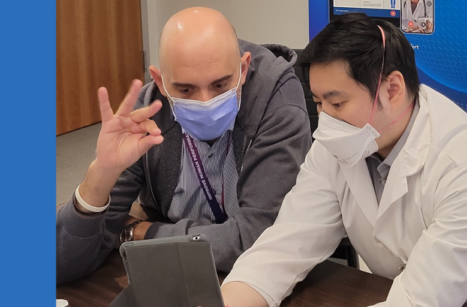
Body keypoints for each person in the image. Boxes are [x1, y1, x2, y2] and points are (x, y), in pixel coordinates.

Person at [221, 13, 467, 307]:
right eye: (319, 103)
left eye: (337, 103)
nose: (325, 121)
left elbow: (417, 301)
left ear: (392, 89)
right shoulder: (341, 144)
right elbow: (283, 249)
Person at [56, 7, 312, 284]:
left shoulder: (277, 98)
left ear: (243, 68)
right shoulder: (148, 108)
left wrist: (143, 233)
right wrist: (100, 176)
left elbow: (258, 239)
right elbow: (62, 264)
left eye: (220, 85)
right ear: (160, 81)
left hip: (260, 284)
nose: (205, 103)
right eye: (186, 90)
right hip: (173, 276)